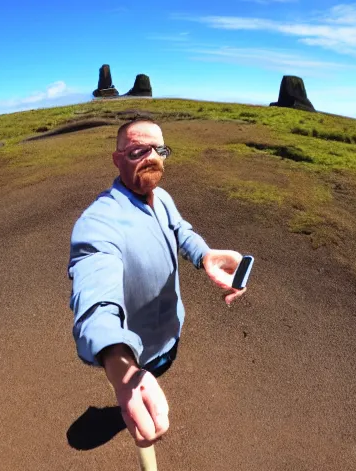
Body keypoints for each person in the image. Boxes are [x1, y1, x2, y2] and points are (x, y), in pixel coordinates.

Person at [68, 118, 247, 448]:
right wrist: (124, 374)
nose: (152, 157)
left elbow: (181, 230)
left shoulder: (161, 196)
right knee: (140, 412)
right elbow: (95, 298)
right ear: (117, 158)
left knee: (157, 379)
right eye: (139, 150)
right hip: (136, 352)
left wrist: (204, 255)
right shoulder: (98, 222)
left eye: (159, 150)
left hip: (170, 334)